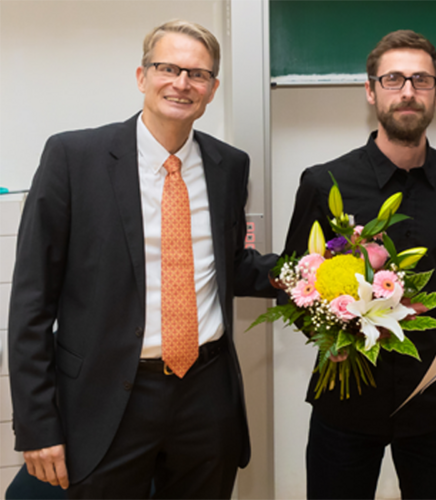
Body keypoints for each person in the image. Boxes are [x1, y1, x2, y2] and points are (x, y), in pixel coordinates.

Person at [8, 19, 276, 500]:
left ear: (212, 89)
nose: (181, 83)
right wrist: (36, 424)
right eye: (168, 68)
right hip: (106, 396)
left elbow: (228, 263)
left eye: (197, 74)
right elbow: (30, 302)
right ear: (141, 76)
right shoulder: (74, 157)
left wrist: (312, 276)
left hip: (206, 392)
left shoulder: (228, 165)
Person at [283, 30, 436, 500]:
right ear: (370, 89)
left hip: (435, 404)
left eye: (421, 80)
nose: (407, 92)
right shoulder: (325, 182)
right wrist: (325, 333)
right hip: (346, 400)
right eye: (394, 79)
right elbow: (296, 282)